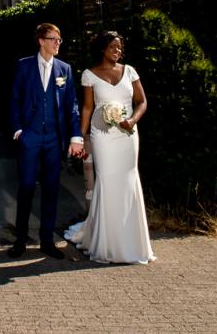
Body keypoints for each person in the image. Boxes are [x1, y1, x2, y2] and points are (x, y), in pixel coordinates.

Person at [65, 30, 155, 264]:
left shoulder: (130, 71)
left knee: (128, 181)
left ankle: (131, 243)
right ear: (103, 48)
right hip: (102, 137)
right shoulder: (89, 75)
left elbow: (142, 101)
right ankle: (106, 243)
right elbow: (87, 108)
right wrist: (80, 136)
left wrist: (132, 121)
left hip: (128, 136)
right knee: (106, 180)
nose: (118, 50)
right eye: (114, 47)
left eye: (120, 47)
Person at [8, 22, 85, 259]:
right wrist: (19, 129)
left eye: (59, 40)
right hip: (30, 137)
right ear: (41, 41)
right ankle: (20, 240)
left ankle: (46, 240)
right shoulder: (24, 66)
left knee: (51, 189)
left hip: (54, 138)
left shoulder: (65, 69)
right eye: (53, 39)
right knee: (27, 187)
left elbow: (72, 105)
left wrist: (75, 136)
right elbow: (14, 99)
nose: (57, 43)